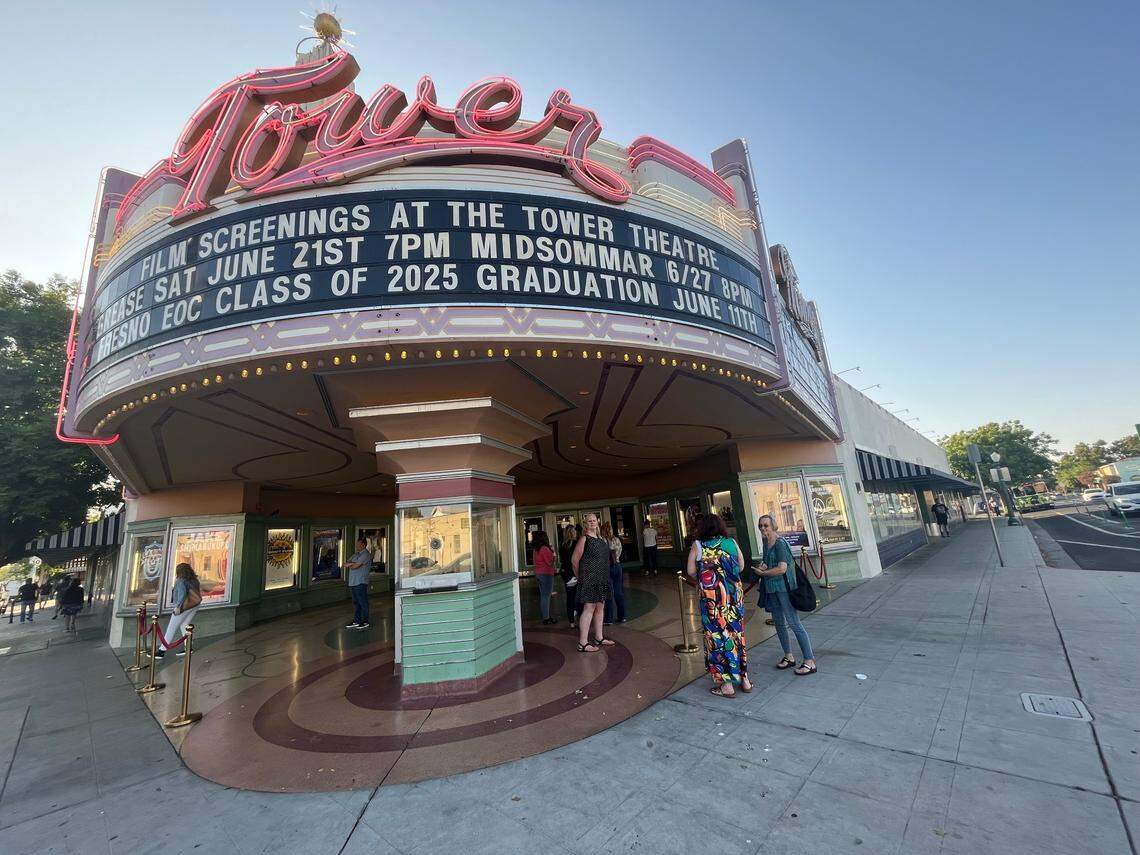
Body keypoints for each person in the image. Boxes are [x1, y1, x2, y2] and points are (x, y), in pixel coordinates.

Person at [685, 513, 752, 698]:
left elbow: (690, 570)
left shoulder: (698, 545)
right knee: (737, 636)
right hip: (733, 600)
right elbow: (741, 566)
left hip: (711, 602)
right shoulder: (731, 542)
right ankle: (744, 679)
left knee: (717, 638)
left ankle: (726, 685)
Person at [755, 515, 817, 676]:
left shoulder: (780, 544)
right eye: (761, 526)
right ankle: (788, 656)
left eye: (766, 525)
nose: (763, 528)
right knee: (779, 623)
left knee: (794, 622)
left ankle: (809, 661)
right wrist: (760, 568)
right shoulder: (766, 543)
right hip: (772, 588)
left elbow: (782, 568)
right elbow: (767, 561)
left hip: (784, 588)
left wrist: (764, 573)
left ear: (773, 526)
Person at [571, 514, 614, 653]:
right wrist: (580, 577)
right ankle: (582, 643)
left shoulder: (601, 539)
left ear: (598, 522)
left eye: (594, 520)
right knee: (589, 609)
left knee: (600, 608)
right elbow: (574, 560)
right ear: (585, 524)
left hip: (602, 579)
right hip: (589, 580)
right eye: (589, 521)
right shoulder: (585, 539)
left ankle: (599, 638)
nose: (592, 522)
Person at [154, 563, 201, 659]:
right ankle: (188, 647)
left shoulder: (180, 580)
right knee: (184, 625)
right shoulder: (194, 580)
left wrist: (178, 607)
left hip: (184, 606)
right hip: (194, 605)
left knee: (172, 627)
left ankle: (162, 651)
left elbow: (182, 595)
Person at [344, 535, 373, 630]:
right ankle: (356, 621)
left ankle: (365, 621)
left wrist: (352, 564)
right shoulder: (356, 554)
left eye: (359, 544)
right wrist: (353, 564)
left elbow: (354, 566)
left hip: (360, 582)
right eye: (357, 544)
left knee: (363, 602)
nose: (357, 546)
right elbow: (346, 563)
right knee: (356, 602)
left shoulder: (366, 554)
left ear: (364, 545)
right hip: (353, 582)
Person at [601, 522, 626, 624]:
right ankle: (622, 616)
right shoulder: (617, 540)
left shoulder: (601, 541)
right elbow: (618, 554)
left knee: (608, 594)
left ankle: (608, 619)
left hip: (606, 568)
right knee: (618, 592)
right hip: (618, 567)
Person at [532, 531, 557, 624]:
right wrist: (554, 555)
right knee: (546, 596)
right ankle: (546, 618)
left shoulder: (536, 549)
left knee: (543, 596)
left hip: (538, 573)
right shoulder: (545, 549)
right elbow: (549, 562)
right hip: (546, 574)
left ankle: (545, 616)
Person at [558, 526, 580, 627]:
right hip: (574, 573)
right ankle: (580, 620)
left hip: (565, 573)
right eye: (575, 531)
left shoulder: (562, 545)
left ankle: (571, 622)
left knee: (570, 598)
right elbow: (576, 561)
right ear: (572, 532)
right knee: (579, 597)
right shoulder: (576, 544)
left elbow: (563, 560)